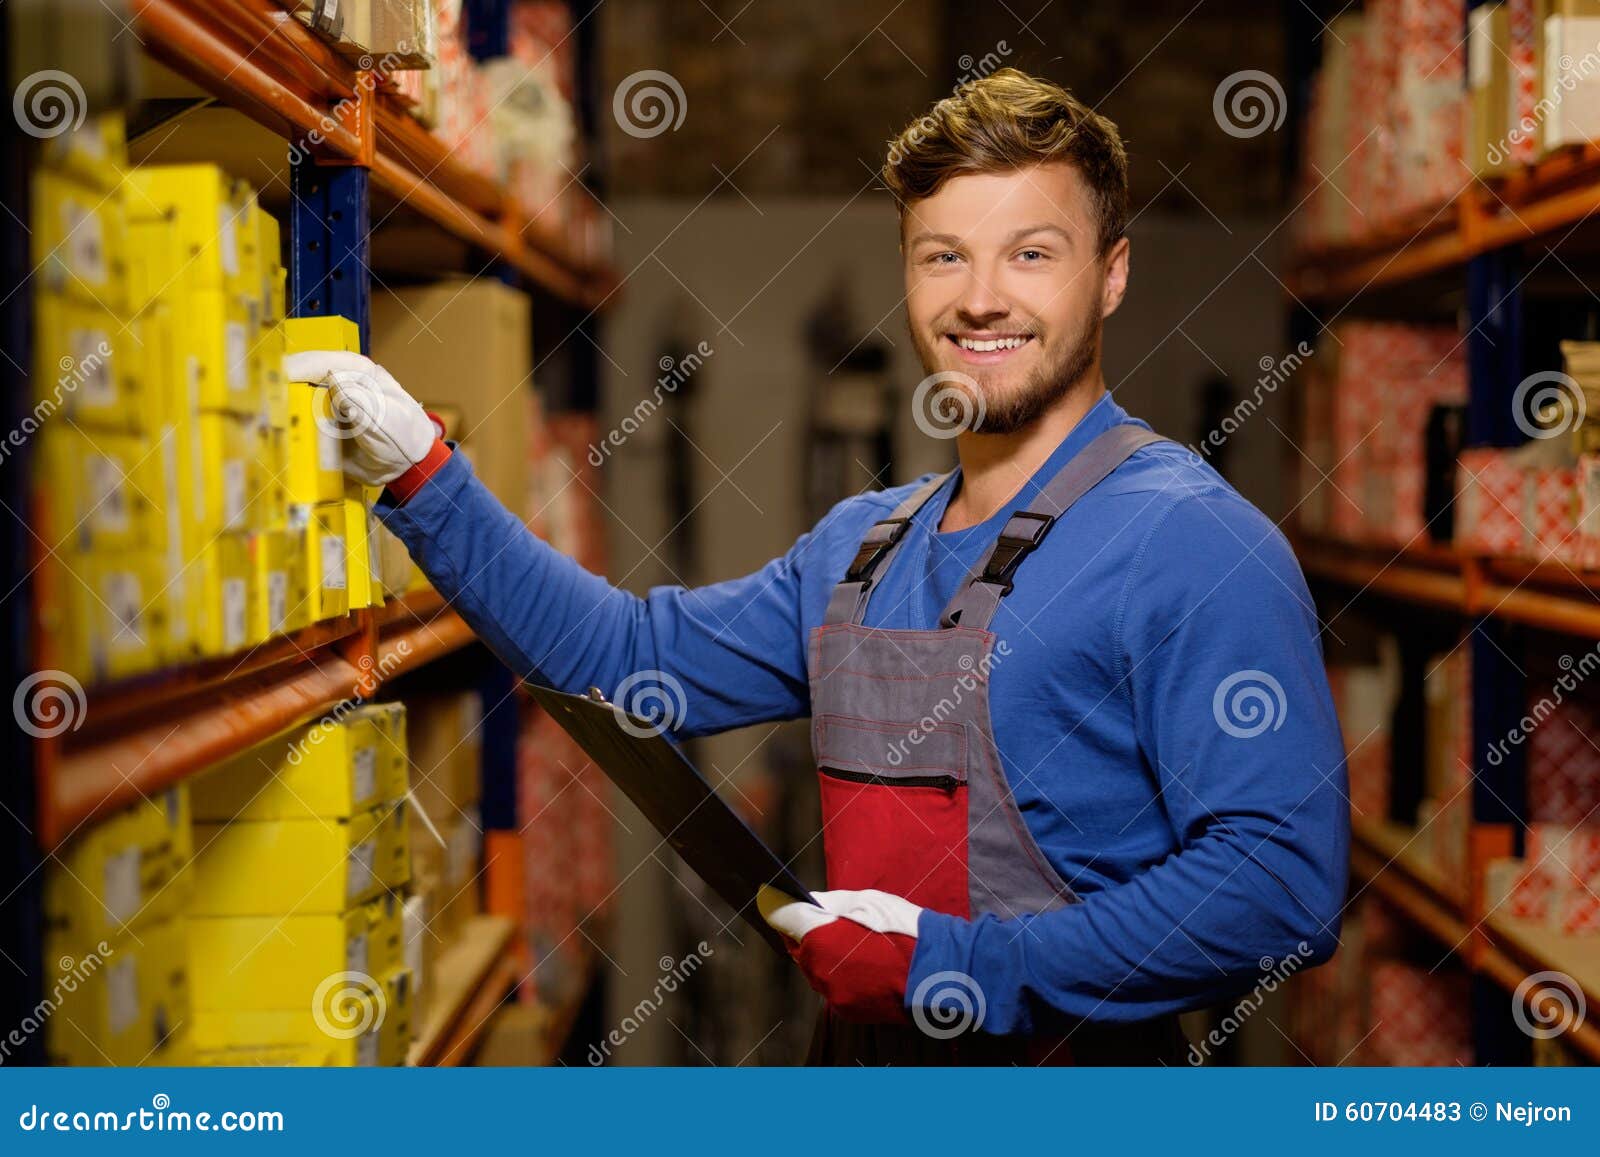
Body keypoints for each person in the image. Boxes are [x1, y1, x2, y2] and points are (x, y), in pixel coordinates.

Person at [285, 68, 1348, 1066]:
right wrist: (426, 477)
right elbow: (620, 655)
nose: (980, 298)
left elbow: (1281, 885)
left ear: (1109, 274)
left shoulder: (1190, 541)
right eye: (942, 255)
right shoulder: (860, 548)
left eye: (1031, 253)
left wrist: (963, 964)